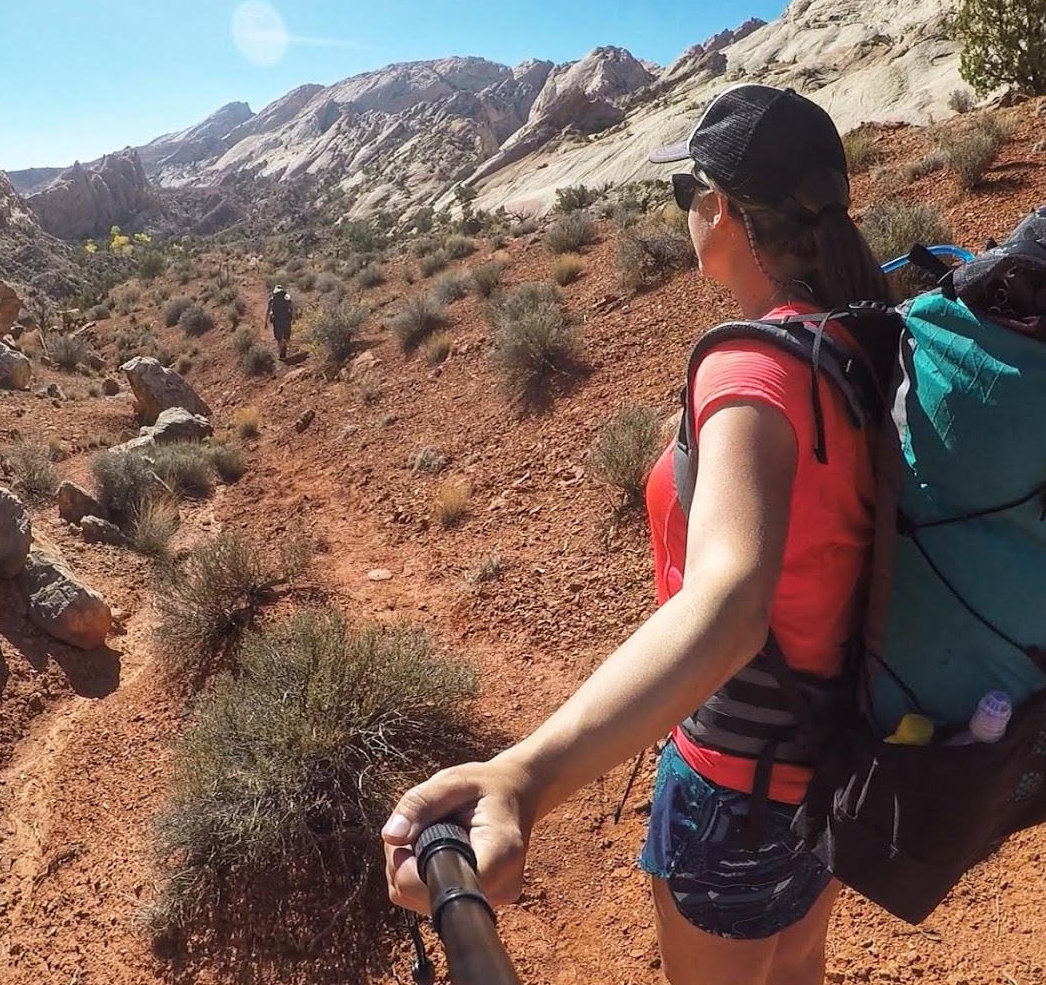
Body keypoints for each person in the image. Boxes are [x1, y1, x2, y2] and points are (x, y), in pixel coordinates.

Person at [382, 84, 893, 985]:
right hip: (830, 763)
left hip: (734, 788)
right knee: (798, 966)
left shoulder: (752, 365)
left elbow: (730, 607)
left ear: (724, 210)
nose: (684, 212)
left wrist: (526, 776)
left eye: (685, 192)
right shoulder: (853, 340)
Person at [265, 285, 294, 360]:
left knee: (279, 337)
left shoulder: (272, 299)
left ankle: (281, 351)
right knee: (287, 336)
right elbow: (291, 308)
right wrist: (293, 317)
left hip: (277, 320)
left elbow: (268, 311)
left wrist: (265, 321)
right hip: (286, 319)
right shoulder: (286, 298)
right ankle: (285, 345)